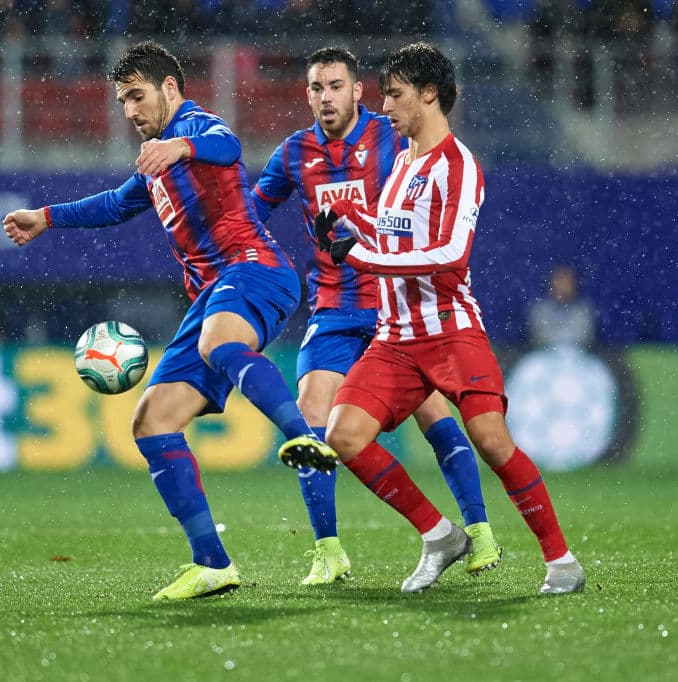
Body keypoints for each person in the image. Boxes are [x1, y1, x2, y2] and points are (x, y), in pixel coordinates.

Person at [3, 41, 338, 601]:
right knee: (152, 422)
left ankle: (304, 438)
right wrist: (45, 217)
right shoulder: (155, 159)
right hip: (213, 293)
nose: (130, 111)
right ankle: (212, 562)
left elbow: (226, 146)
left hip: (255, 270)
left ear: (170, 89)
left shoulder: (196, 128)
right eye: (122, 102)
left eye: (137, 96)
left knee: (217, 340)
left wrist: (180, 146)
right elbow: (114, 203)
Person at [313, 42, 585, 595]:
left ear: (429, 94)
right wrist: (350, 216)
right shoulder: (403, 162)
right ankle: (440, 535)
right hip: (395, 338)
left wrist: (361, 256)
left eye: (394, 95)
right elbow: (394, 231)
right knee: (343, 436)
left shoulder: (458, 165)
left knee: (490, 439)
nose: (384, 106)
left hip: (450, 330)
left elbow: (449, 253)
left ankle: (562, 562)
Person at [252, 47, 502, 586]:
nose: (325, 97)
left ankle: (478, 530)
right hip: (335, 307)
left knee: (436, 417)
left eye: (336, 86)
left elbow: (437, 196)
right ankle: (328, 550)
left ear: (357, 91)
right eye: (316, 88)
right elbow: (249, 214)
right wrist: (251, 259)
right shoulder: (294, 152)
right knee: (311, 416)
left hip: (401, 306)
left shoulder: (394, 137)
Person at [526, 264, 596, 349]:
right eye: (560, 281)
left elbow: (584, 337)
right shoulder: (541, 309)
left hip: (577, 357)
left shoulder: (583, 309)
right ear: (552, 283)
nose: (563, 285)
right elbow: (539, 336)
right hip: (545, 356)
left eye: (567, 281)